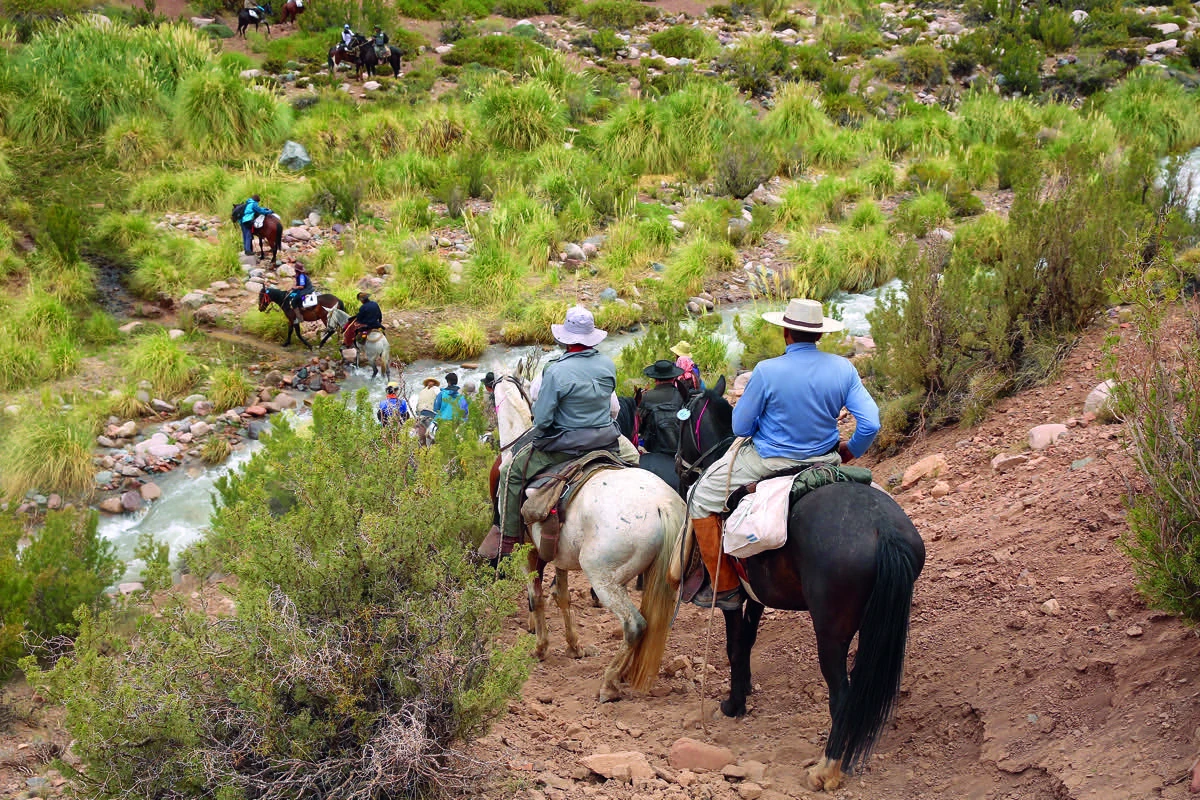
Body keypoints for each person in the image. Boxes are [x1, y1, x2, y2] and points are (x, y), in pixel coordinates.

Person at [687, 298, 880, 611]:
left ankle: (725, 586)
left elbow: (740, 427)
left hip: (768, 461)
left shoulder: (766, 371)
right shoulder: (843, 368)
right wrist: (851, 450)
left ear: (785, 332)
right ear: (819, 334)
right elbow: (871, 423)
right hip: (825, 459)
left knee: (699, 496)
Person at [494, 306, 622, 555]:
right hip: (606, 440)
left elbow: (542, 420)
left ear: (566, 339)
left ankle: (508, 539)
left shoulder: (555, 370)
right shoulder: (607, 364)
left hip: (566, 446)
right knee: (634, 458)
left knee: (510, 471)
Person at [637, 359, 685, 455]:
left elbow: (639, 425)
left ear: (655, 379)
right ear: (673, 378)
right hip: (681, 448)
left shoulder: (646, 397)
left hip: (652, 449)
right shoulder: (683, 395)